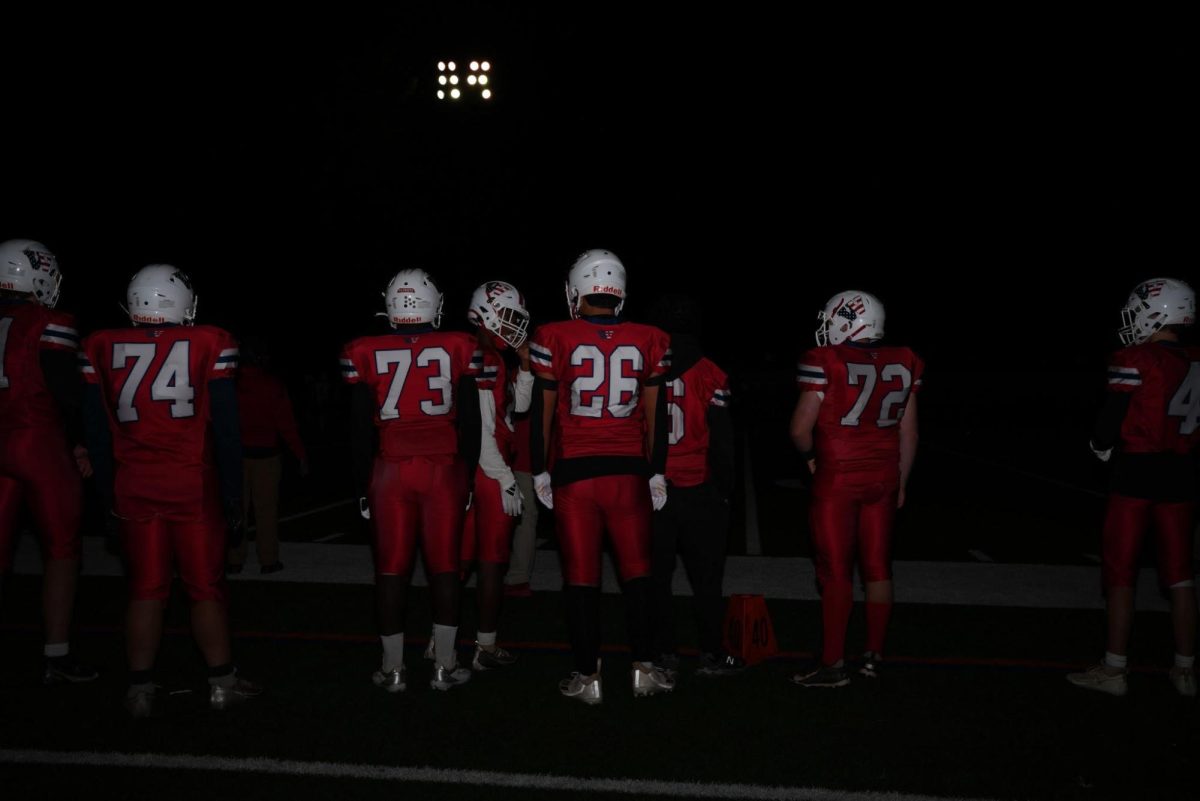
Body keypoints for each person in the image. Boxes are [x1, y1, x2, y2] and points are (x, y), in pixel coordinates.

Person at [81, 264, 260, 717]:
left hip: (133, 484)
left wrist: (106, 497)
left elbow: (98, 436)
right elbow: (226, 431)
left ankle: (139, 689)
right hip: (190, 484)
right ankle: (222, 682)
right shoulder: (209, 341)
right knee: (205, 588)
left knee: (145, 589)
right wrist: (234, 494)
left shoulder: (101, 345)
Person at [529, 248, 675, 704]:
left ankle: (587, 676)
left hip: (576, 474)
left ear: (578, 291)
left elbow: (544, 413)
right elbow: (657, 415)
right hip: (629, 473)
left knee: (580, 578)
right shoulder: (651, 337)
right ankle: (643, 669)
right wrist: (657, 471)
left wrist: (539, 469)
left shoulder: (554, 335)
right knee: (637, 575)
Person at [341, 268, 480, 692]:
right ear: (432, 304)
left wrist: (361, 480)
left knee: (390, 572)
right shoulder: (460, 345)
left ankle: (393, 668)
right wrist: (468, 475)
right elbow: (471, 421)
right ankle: (444, 664)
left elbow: (357, 427)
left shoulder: (362, 349)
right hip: (443, 468)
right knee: (445, 570)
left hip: (390, 469)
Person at [1068, 277, 1198, 698]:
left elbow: (1112, 419)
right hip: (1181, 473)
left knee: (1121, 572)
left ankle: (1114, 668)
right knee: (1179, 576)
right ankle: (1185, 669)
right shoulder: (1195, 359)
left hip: (1137, 471)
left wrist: (1100, 446)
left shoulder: (1138, 357)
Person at [789, 290, 922, 688]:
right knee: (878, 568)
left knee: (835, 571)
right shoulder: (905, 359)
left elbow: (799, 429)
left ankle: (832, 664)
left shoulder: (824, 360)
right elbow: (909, 431)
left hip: (839, 477)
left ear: (850, 321)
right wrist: (902, 481)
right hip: (883, 476)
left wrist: (811, 457)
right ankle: (873, 656)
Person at [0, 239, 97, 685]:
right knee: (61, 550)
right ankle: (56, 655)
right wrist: (82, 442)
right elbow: (68, 395)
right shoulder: (49, 322)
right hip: (36, 442)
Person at [648, 294, 743, 678]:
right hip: (699, 489)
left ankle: (663, 652)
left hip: (654, 490)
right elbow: (722, 443)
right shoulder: (710, 373)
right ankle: (710, 653)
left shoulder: (644, 368)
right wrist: (725, 490)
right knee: (707, 581)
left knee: (656, 578)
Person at [453, 281, 533, 670]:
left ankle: (442, 643)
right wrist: (504, 479)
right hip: (487, 470)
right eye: (510, 316)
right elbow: (484, 430)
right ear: (487, 311)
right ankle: (483, 647)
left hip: (468, 470)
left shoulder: (488, 355)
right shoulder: (482, 355)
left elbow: (514, 406)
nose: (515, 325)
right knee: (488, 562)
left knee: (460, 561)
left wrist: (526, 367)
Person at [228, 337, 308, 575]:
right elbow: (286, 425)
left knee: (235, 509)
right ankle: (268, 560)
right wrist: (301, 454)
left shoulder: (231, 385)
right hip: (266, 456)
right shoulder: (272, 385)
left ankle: (234, 559)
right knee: (266, 510)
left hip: (237, 456)